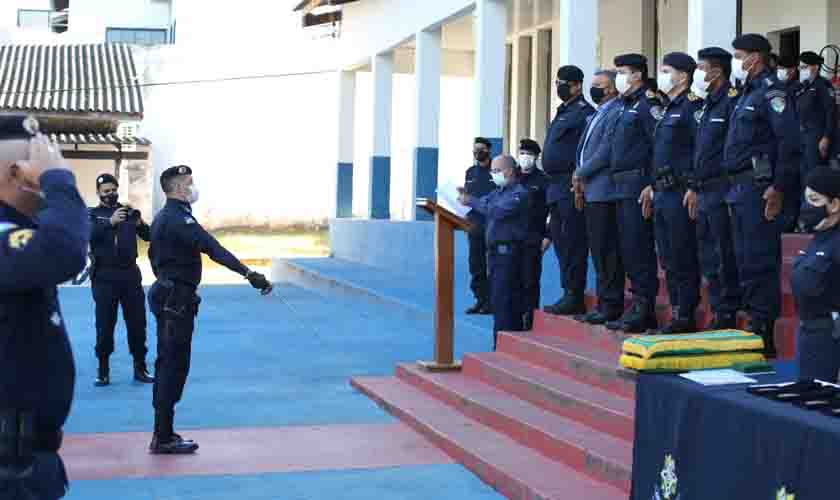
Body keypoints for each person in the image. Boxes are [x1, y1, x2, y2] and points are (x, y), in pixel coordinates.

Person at [148, 165, 272, 454]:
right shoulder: (177, 219)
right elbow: (211, 247)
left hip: (170, 296)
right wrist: (248, 273)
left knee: (170, 364)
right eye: (189, 183)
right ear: (178, 189)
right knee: (172, 367)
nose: (193, 188)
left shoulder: (167, 217)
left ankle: (164, 432)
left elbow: (157, 256)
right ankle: (162, 436)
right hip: (175, 301)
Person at [0, 116, 89, 499]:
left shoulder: (21, 234)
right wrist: (59, 183)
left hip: (24, 463)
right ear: (19, 173)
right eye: (46, 164)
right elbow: (65, 250)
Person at [724, 34, 800, 357]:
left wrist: (778, 186)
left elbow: (789, 142)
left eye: (739, 55)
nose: (736, 62)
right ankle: (753, 321)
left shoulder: (772, 92)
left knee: (760, 259)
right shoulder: (746, 94)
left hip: (760, 187)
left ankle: (762, 330)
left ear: (754, 57)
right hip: (739, 188)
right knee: (744, 258)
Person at [645, 52, 703, 334]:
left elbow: (697, 150)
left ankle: (685, 313)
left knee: (682, 255)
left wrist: (693, 185)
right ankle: (676, 309)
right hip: (662, 191)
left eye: (667, 71)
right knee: (668, 257)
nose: (663, 76)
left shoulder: (692, 107)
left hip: (680, 191)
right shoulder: (668, 107)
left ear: (683, 75)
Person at [605, 53, 660, 333]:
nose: (619, 78)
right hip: (620, 185)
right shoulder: (625, 106)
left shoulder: (647, 105)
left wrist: (652, 183)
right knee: (628, 247)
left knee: (639, 247)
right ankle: (637, 303)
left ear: (637, 75)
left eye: (623, 72)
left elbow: (657, 145)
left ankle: (644, 306)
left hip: (638, 185)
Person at [688, 47, 742, 330]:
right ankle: (718, 307)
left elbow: (729, 149)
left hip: (722, 188)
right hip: (704, 189)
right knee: (708, 255)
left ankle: (727, 311)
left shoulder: (731, 102)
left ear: (716, 71)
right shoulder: (708, 104)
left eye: (701, 67)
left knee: (723, 252)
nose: (698, 73)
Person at [88, 173, 154, 386]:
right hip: (104, 277)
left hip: (129, 275)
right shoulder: (92, 214)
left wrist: (140, 222)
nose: (110, 194)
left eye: (113, 189)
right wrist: (110, 221)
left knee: (137, 323)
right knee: (105, 325)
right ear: (98, 193)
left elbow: (149, 236)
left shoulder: (128, 212)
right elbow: (88, 235)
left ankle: (140, 366)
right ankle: (103, 369)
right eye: (105, 191)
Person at [458, 156, 529, 349]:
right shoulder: (497, 192)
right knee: (498, 301)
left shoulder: (519, 193)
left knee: (507, 301)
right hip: (495, 255)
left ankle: (507, 346)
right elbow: (484, 203)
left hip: (510, 254)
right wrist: (466, 198)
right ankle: (499, 344)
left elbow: (497, 211)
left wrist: (470, 201)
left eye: (497, 170)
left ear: (509, 171)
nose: (493, 174)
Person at [542, 65, 595, 316]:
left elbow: (586, 150)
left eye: (564, 83)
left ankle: (575, 294)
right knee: (561, 242)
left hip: (570, 185)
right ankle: (567, 291)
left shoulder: (583, 113)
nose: (560, 87)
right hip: (554, 186)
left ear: (577, 85)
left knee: (574, 241)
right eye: (558, 82)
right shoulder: (563, 111)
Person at [573, 69, 625, 325]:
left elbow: (605, 151)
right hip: (591, 189)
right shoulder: (597, 113)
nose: (593, 89)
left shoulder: (615, 111)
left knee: (607, 251)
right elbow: (584, 149)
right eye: (592, 84)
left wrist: (581, 172)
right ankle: (604, 302)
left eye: (599, 85)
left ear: (613, 88)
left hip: (605, 190)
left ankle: (611, 304)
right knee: (598, 250)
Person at [790, 166, 840, 380]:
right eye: (806, 199)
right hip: (808, 336)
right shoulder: (819, 237)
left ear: (835, 204)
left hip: (830, 337)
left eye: (815, 200)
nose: (807, 207)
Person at [517, 138, 550, 330]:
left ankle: (530, 319)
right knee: (513, 280)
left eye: (528, 154)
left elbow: (552, 212)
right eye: (522, 153)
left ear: (536, 157)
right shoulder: (512, 177)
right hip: (512, 237)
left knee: (530, 281)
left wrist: (549, 236)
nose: (524, 158)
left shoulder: (543, 181)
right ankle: (515, 316)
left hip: (533, 238)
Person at [796, 51, 836, 199]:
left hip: (816, 136)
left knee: (814, 176)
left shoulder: (823, 85)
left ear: (816, 67)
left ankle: (815, 209)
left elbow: (830, 113)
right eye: (800, 67)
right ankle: (804, 210)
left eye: (805, 66)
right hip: (803, 136)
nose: (802, 70)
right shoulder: (803, 86)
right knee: (803, 176)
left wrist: (826, 137)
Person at [463, 138, 496, 315]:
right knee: (476, 264)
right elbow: (467, 198)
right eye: (475, 149)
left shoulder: (496, 171)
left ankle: (492, 301)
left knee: (492, 264)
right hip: (474, 224)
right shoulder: (470, 172)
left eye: (481, 149)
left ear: (489, 151)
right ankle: (480, 299)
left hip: (492, 224)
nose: (477, 153)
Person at [776, 54, 804, 232]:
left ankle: (791, 222)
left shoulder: (797, 88)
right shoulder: (777, 88)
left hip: (794, 145)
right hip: (780, 146)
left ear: (792, 71)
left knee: (792, 186)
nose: (779, 72)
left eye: (782, 68)